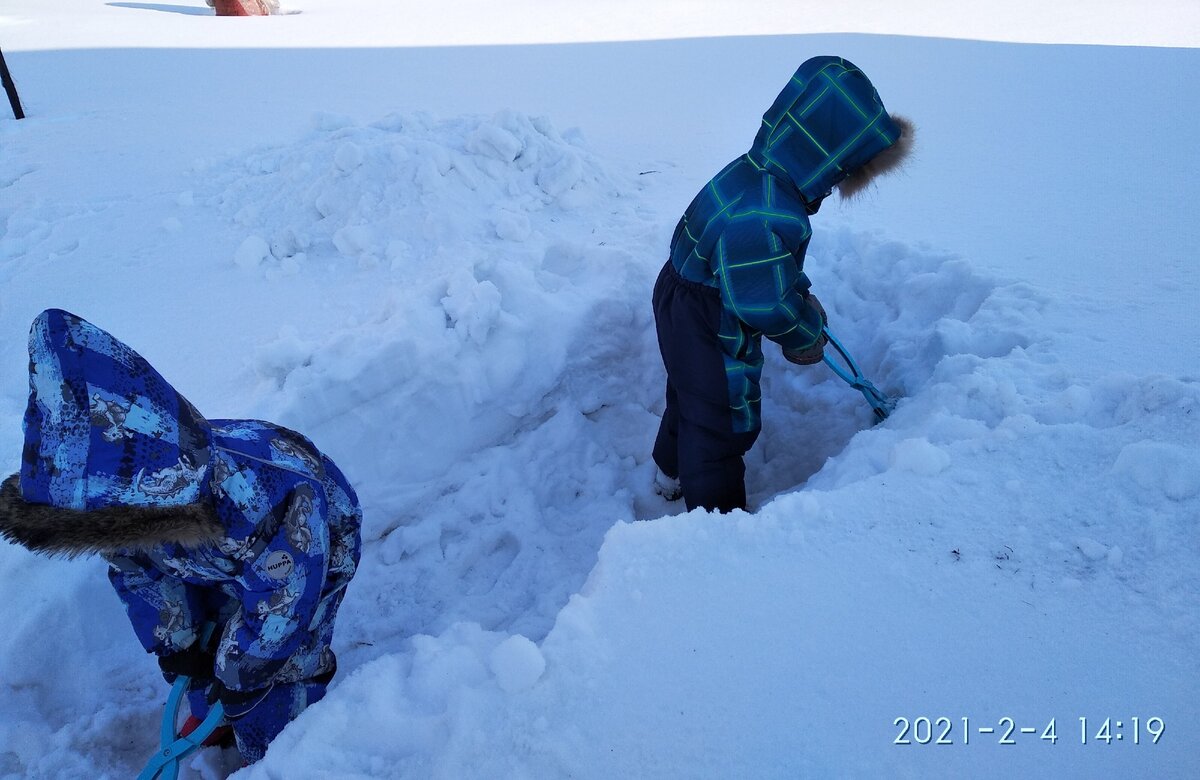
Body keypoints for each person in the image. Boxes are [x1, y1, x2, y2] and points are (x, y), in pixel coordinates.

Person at [0, 309, 362, 765]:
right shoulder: (117, 512)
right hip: (212, 553)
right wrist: (179, 645)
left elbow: (284, 599)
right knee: (209, 651)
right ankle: (220, 704)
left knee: (275, 663)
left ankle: (285, 744)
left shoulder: (262, 507)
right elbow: (141, 575)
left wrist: (242, 672)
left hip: (312, 543)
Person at [652, 55, 913, 513]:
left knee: (690, 393)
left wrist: (799, 292)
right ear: (826, 159)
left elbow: (762, 266)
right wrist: (803, 331)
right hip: (709, 318)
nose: (837, 185)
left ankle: (667, 470)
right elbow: (763, 299)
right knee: (722, 420)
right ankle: (716, 528)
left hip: (683, 293)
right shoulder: (767, 213)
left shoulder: (756, 171)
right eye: (844, 171)